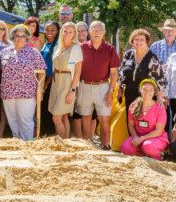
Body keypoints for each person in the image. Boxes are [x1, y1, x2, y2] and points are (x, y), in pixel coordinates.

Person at [77, 21, 120, 149]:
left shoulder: (110, 49)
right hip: (84, 86)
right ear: (89, 32)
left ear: (104, 32)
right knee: (86, 117)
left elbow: (114, 74)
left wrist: (110, 92)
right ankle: (88, 145)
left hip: (103, 87)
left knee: (104, 119)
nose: (96, 32)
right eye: (94, 30)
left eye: (99, 30)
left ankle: (105, 145)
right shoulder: (82, 47)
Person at [0, 24, 47, 140]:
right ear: (12, 37)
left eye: (23, 36)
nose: (20, 38)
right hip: (8, 92)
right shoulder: (5, 52)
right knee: (12, 121)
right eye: (17, 36)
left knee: (25, 122)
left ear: (27, 38)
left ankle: (27, 144)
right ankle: (17, 143)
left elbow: (42, 71)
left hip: (27, 93)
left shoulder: (33, 53)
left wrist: (40, 90)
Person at [48, 22, 83, 139]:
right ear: (62, 32)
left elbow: (78, 72)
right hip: (56, 81)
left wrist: (72, 90)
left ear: (74, 35)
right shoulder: (58, 47)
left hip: (67, 82)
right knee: (63, 116)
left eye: (70, 32)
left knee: (56, 117)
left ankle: (62, 143)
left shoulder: (76, 48)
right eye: (65, 31)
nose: (67, 34)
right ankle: (67, 142)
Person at [120, 79, 169, 160]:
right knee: (125, 148)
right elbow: (131, 126)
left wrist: (142, 138)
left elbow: (159, 131)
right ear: (140, 90)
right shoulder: (134, 105)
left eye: (151, 90)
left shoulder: (159, 107)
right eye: (144, 89)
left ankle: (158, 157)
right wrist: (135, 137)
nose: (147, 92)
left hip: (156, 137)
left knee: (148, 146)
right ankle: (143, 155)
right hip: (138, 137)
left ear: (154, 92)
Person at [117, 29, 166, 110]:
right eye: (136, 39)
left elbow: (160, 79)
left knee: (143, 121)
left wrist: (159, 98)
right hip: (129, 94)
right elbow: (121, 74)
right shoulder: (128, 54)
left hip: (146, 96)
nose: (138, 42)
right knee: (130, 121)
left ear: (147, 42)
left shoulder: (152, 57)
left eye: (142, 40)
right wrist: (120, 90)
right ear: (132, 41)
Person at [40, 21, 60, 138]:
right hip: (42, 79)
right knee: (43, 108)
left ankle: (51, 134)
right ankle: (43, 133)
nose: (49, 32)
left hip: (52, 81)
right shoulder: (45, 44)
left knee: (49, 108)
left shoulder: (57, 45)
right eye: (47, 30)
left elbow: (54, 68)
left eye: (52, 30)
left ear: (57, 31)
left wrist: (46, 84)